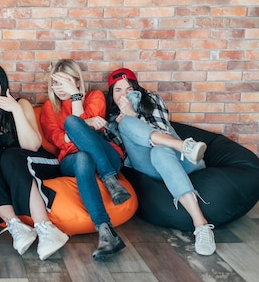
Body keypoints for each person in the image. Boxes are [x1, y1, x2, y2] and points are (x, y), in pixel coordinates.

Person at [0, 62, 68, 260]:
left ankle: (46, 227)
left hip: (38, 162)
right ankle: (16, 225)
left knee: (11, 155)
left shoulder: (21, 105)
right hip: (6, 171)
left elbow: (32, 145)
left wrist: (15, 110)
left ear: (4, 84)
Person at [104, 67, 215, 256]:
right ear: (111, 95)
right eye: (118, 90)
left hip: (182, 161)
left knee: (160, 151)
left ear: (137, 90)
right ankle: (185, 146)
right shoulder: (111, 120)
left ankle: (201, 226)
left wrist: (134, 114)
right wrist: (125, 120)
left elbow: (163, 131)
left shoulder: (152, 101)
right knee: (128, 125)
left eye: (129, 89)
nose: (124, 94)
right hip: (147, 165)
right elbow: (122, 154)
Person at [39, 58, 128, 261]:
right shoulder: (49, 108)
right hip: (73, 161)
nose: (59, 88)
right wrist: (84, 125)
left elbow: (83, 134)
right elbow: (61, 140)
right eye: (56, 83)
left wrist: (75, 98)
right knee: (82, 156)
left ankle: (109, 177)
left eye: (65, 82)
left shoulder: (95, 97)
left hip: (107, 157)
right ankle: (106, 231)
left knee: (73, 124)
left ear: (77, 82)